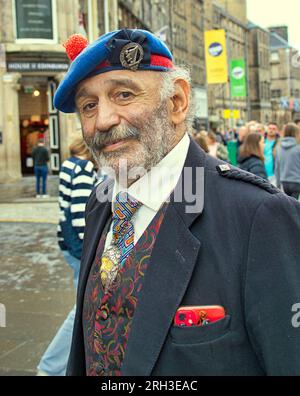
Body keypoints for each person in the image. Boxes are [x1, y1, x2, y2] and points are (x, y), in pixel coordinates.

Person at [53, 29, 300, 376]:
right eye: (88, 105)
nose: (103, 120)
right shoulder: (100, 202)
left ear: (177, 102)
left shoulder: (259, 216)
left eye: (123, 94)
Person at [37, 138, 97, 376]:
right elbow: (79, 214)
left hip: (65, 240)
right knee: (81, 308)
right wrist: (89, 247)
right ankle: (51, 367)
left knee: (82, 306)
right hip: (78, 245)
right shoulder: (83, 168)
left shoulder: (67, 164)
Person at [275, 123, 300, 199]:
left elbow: (277, 167)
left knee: (289, 204)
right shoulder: (298, 148)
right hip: (297, 181)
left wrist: (278, 184)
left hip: (284, 181)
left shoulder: (279, 148)